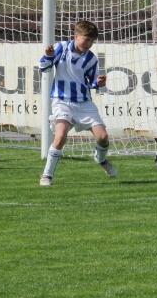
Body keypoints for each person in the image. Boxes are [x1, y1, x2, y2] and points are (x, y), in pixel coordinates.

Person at [39, 20, 116, 186]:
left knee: (103, 137)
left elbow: (92, 82)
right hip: (62, 101)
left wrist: (99, 83)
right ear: (75, 36)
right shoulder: (61, 47)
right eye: (86, 39)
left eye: (92, 41)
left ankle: (101, 159)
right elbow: (44, 68)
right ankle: (46, 175)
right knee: (60, 136)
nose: (89, 44)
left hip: (84, 103)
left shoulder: (91, 58)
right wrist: (48, 56)